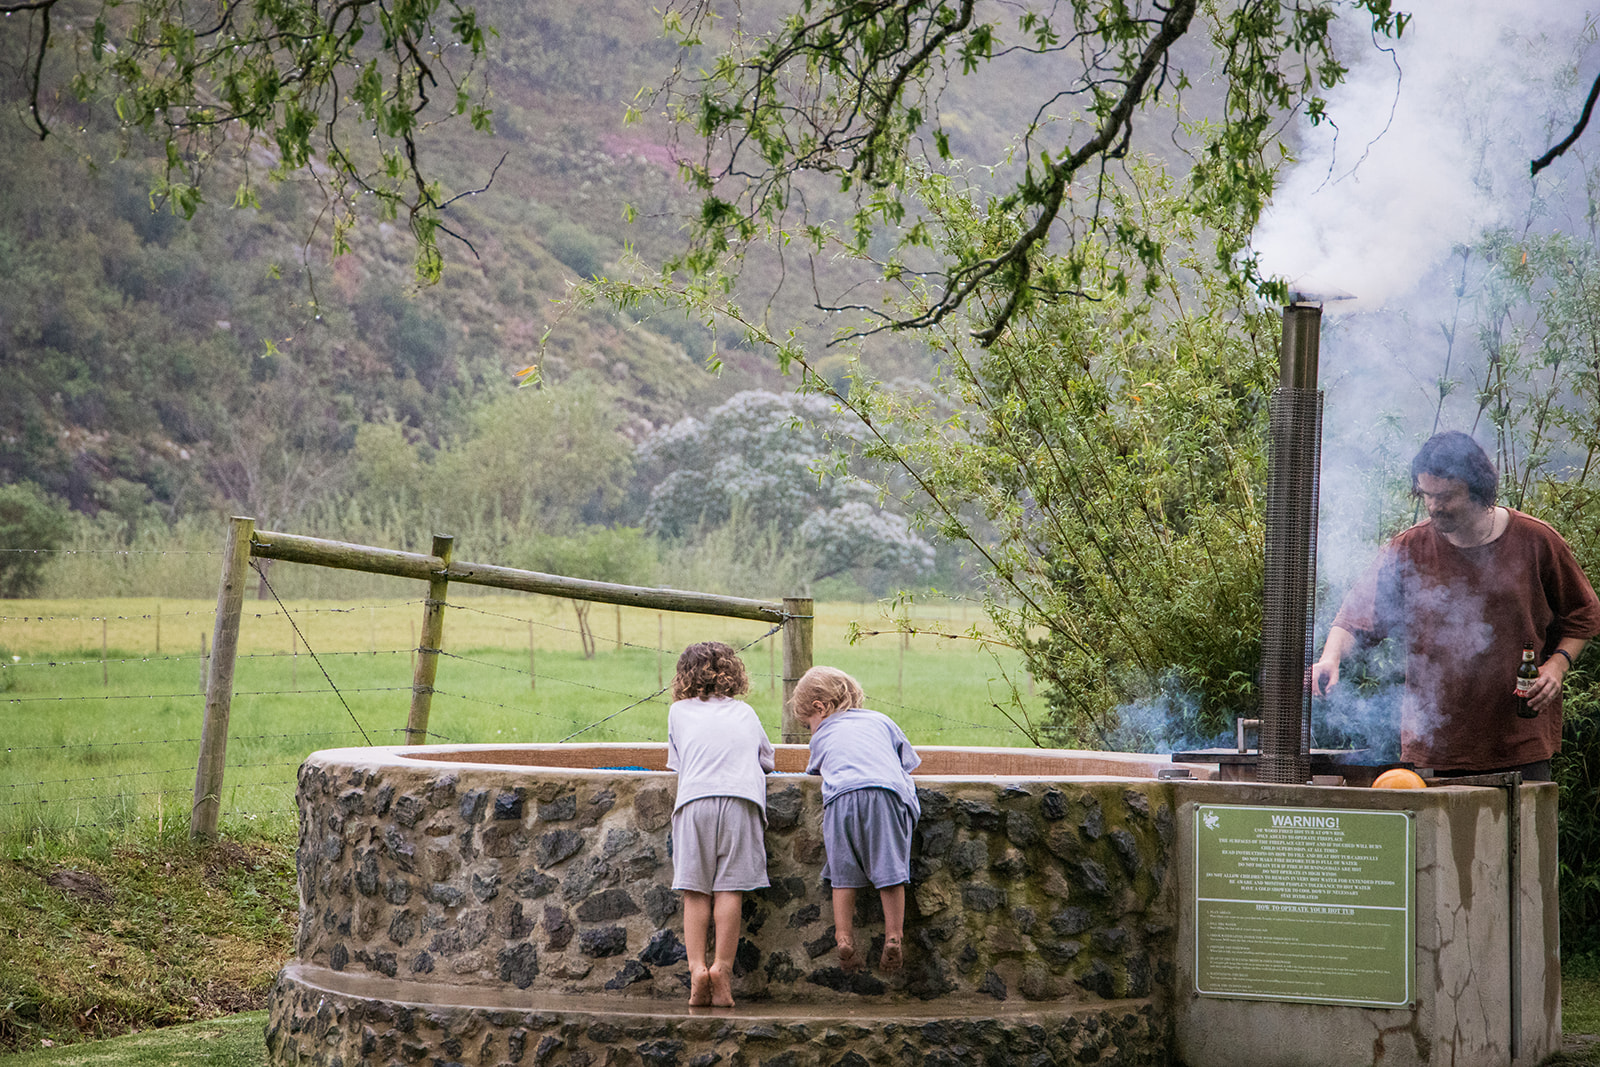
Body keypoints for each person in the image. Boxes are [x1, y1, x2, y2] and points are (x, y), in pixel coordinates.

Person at [1311, 431, 1600, 780]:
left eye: (1446, 496)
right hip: (1434, 745)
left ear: (1478, 489)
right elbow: (1356, 616)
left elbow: (1585, 612)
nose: (1434, 506)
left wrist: (1557, 666)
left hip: (1519, 742)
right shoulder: (1409, 548)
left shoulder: (1536, 540)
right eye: (1427, 495)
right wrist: (1330, 658)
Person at [666, 641, 775, 1008]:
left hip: (694, 801)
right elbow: (767, 760)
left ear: (683, 676)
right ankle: (722, 970)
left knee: (695, 891)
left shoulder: (678, 712)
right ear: (734, 674)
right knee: (730, 889)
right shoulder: (746, 712)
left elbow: (678, 763)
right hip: (741, 801)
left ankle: (696, 968)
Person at [794, 665, 920, 973]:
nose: (811, 731)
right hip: (886, 795)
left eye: (808, 724)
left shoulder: (822, 735)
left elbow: (815, 771)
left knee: (843, 873)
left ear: (820, 708)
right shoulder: (881, 721)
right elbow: (909, 763)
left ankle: (844, 937)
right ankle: (894, 936)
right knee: (891, 872)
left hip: (842, 800)